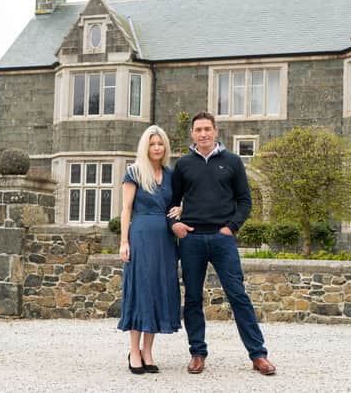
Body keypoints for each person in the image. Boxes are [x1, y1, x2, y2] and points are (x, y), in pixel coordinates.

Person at [169, 111, 276, 376]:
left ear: (215, 131)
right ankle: (197, 353)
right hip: (191, 239)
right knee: (192, 298)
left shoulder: (232, 162)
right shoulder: (183, 165)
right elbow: (170, 202)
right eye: (198, 130)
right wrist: (174, 225)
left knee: (238, 296)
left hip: (222, 239)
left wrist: (231, 227)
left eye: (207, 129)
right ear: (192, 133)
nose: (203, 134)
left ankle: (258, 355)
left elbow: (245, 201)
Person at [118, 125, 182, 374]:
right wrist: (124, 241)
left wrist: (181, 210)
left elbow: (175, 206)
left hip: (165, 241)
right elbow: (126, 209)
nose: (157, 147)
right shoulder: (134, 172)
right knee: (141, 289)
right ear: (145, 147)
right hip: (141, 236)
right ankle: (134, 350)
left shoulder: (170, 174)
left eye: (160, 143)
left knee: (158, 289)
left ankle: (148, 351)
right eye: (152, 144)